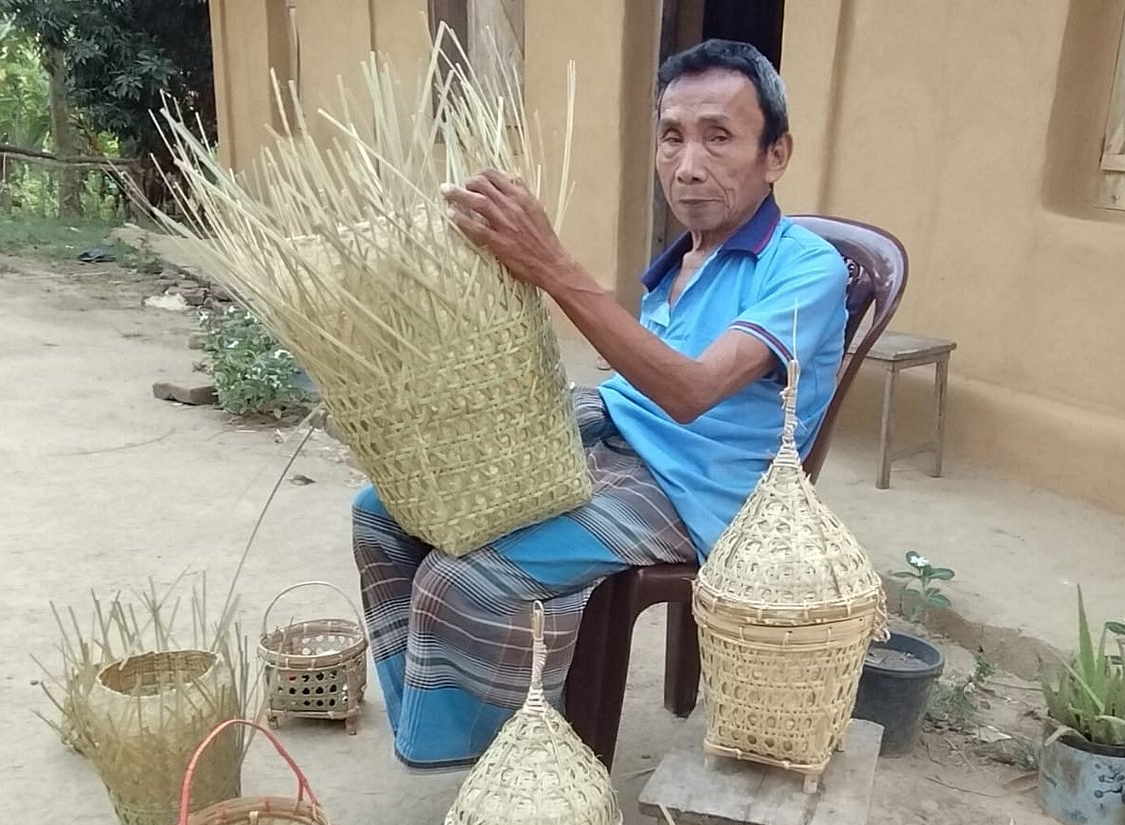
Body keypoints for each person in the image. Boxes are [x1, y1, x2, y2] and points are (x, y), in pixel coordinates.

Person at [352, 39, 848, 771]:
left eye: (720, 137)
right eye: (672, 136)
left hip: (695, 493)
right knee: (383, 508)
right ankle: (443, 722)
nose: (687, 165)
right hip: (618, 432)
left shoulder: (809, 268)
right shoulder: (683, 256)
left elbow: (688, 391)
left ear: (776, 154)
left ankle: (515, 763)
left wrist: (551, 265)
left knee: (463, 580)